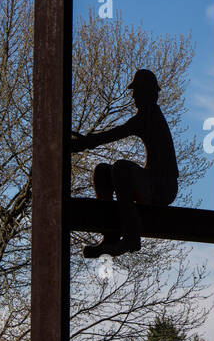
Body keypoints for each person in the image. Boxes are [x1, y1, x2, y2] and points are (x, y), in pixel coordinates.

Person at [71, 68, 178, 258]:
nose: (134, 96)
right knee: (103, 171)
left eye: (136, 91)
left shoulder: (149, 116)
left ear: (147, 92)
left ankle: (131, 235)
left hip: (162, 187)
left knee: (121, 168)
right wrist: (86, 143)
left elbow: (117, 133)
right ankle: (110, 235)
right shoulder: (148, 115)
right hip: (154, 183)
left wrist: (85, 143)